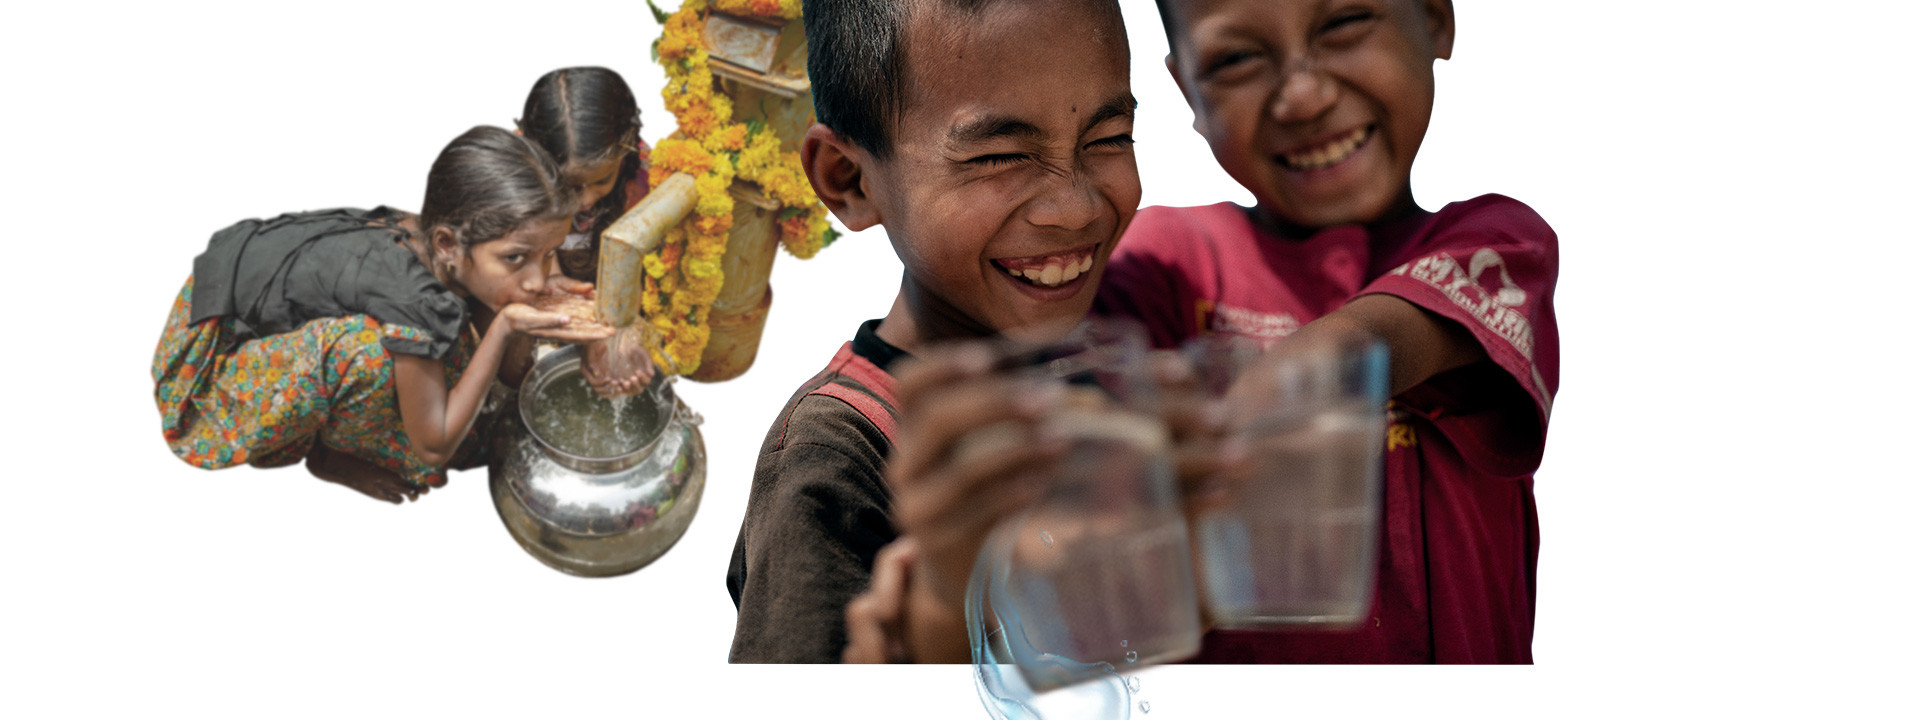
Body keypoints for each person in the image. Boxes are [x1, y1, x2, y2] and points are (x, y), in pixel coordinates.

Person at [845, 0, 1557, 664]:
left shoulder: (1497, 244)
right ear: (1185, 88)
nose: (1302, 96)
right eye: (1237, 60)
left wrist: (1252, 408)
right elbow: (1066, 411)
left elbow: (1370, 344)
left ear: (1435, 16)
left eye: (1343, 22)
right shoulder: (1161, 262)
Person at [725, 0, 1141, 662]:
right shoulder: (840, 456)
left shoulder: (1123, 356)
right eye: (1002, 154)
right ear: (849, 179)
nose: (1077, 206)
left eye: (1109, 139)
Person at [152, 126, 615, 504]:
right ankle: (327, 452)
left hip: (242, 295)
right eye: (517, 258)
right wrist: (505, 328)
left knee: (448, 345)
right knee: (375, 360)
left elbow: (514, 372)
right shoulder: (413, 298)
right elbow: (433, 447)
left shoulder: (449, 239)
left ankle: (345, 423)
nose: (537, 280)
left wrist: (524, 297)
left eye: (548, 254)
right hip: (209, 366)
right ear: (448, 244)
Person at [517, 66, 657, 395]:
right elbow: (537, 259)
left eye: (601, 182)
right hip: (543, 284)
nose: (585, 200)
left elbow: (636, 268)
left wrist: (619, 336)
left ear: (624, 154)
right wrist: (584, 335)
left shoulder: (643, 175)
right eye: (569, 186)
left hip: (617, 286)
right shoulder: (514, 172)